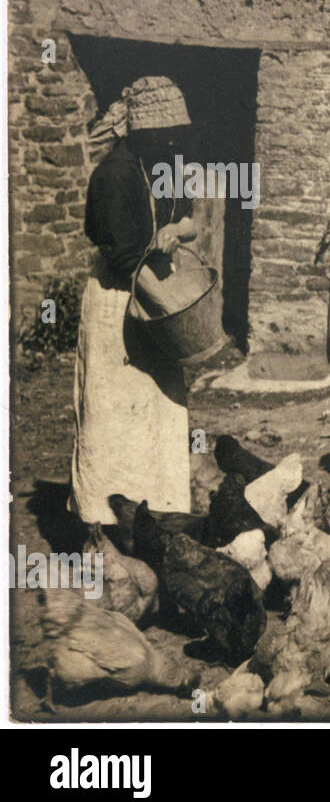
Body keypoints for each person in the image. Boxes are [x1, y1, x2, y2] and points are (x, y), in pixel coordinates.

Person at [70, 76, 198, 526]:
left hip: (154, 298)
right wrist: (172, 313)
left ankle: (159, 517)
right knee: (112, 413)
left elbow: (190, 220)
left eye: (173, 133)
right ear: (137, 131)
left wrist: (173, 230)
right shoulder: (113, 176)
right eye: (160, 133)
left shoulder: (162, 165)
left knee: (161, 408)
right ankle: (102, 524)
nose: (168, 140)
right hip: (118, 303)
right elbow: (126, 260)